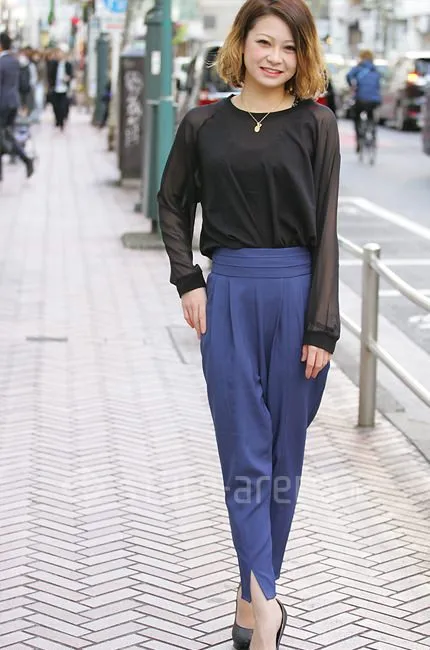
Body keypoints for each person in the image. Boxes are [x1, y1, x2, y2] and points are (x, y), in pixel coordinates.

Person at [157, 0, 341, 648]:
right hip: (230, 294)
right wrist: (189, 279)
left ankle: (248, 598)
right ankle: (268, 612)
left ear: (303, 55)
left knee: (281, 460)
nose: (275, 58)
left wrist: (322, 327)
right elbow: (171, 204)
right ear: (240, 44)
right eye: (264, 42)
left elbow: (327, 228)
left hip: (298, 299)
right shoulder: (203, 123)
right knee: (244, 457)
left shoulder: (316, 124)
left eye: (289, 47)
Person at [0, 32, 34, 180]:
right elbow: (22, 83)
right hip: (13, 102)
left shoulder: (1, 62)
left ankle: (25, 158)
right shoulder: (14, 61)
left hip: (2, 104)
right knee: (6, 135)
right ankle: (25, 159)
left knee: (4, 136)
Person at [346, 49, 381, 152]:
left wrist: (351, 85)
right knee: (371, 114)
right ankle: (372, 132)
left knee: (356, 116)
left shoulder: (358, 68)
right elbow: (378, 84)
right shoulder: (375, 69)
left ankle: (359, 139)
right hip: (374, 100)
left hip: (360, 99)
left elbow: (348, 76)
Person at [47, 46, 73, 130]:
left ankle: (61, 121)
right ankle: (57, 120)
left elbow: (71, 75)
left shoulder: (68, 65)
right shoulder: (53, 64)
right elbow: (50, 75)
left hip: (64, 89)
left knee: (63, 106)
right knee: (55, 106)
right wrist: (50, 86)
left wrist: (68, 78)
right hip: (55, 88)